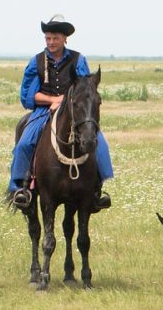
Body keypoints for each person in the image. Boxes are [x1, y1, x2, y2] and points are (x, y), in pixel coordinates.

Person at [8, 15, 113, 211]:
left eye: (55, 38)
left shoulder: (78, 59)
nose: (51, 42)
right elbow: (28, 96)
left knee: (101, 145)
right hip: (42, 112)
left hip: (73, 111)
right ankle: (20, 188)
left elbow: (85, 89)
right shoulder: (36, 61)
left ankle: (96, 191)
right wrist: (53, 101)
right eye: (48, 38)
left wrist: (65, 102)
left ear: (65, 38)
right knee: (24, 144)